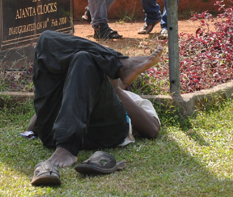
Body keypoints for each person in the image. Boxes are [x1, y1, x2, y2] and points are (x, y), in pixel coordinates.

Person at [27, 31, 163, 187]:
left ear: (128, 86)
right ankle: (122, 65)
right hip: (54, 134)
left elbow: (152, 129)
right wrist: (62, 93)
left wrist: (116, 90)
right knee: (47, 39)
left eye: (105, 69)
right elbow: (33, 127)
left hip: (102, 132)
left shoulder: (133, 98)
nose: (103, 72)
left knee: (84, 58)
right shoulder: (76, 84)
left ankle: (67, 147)